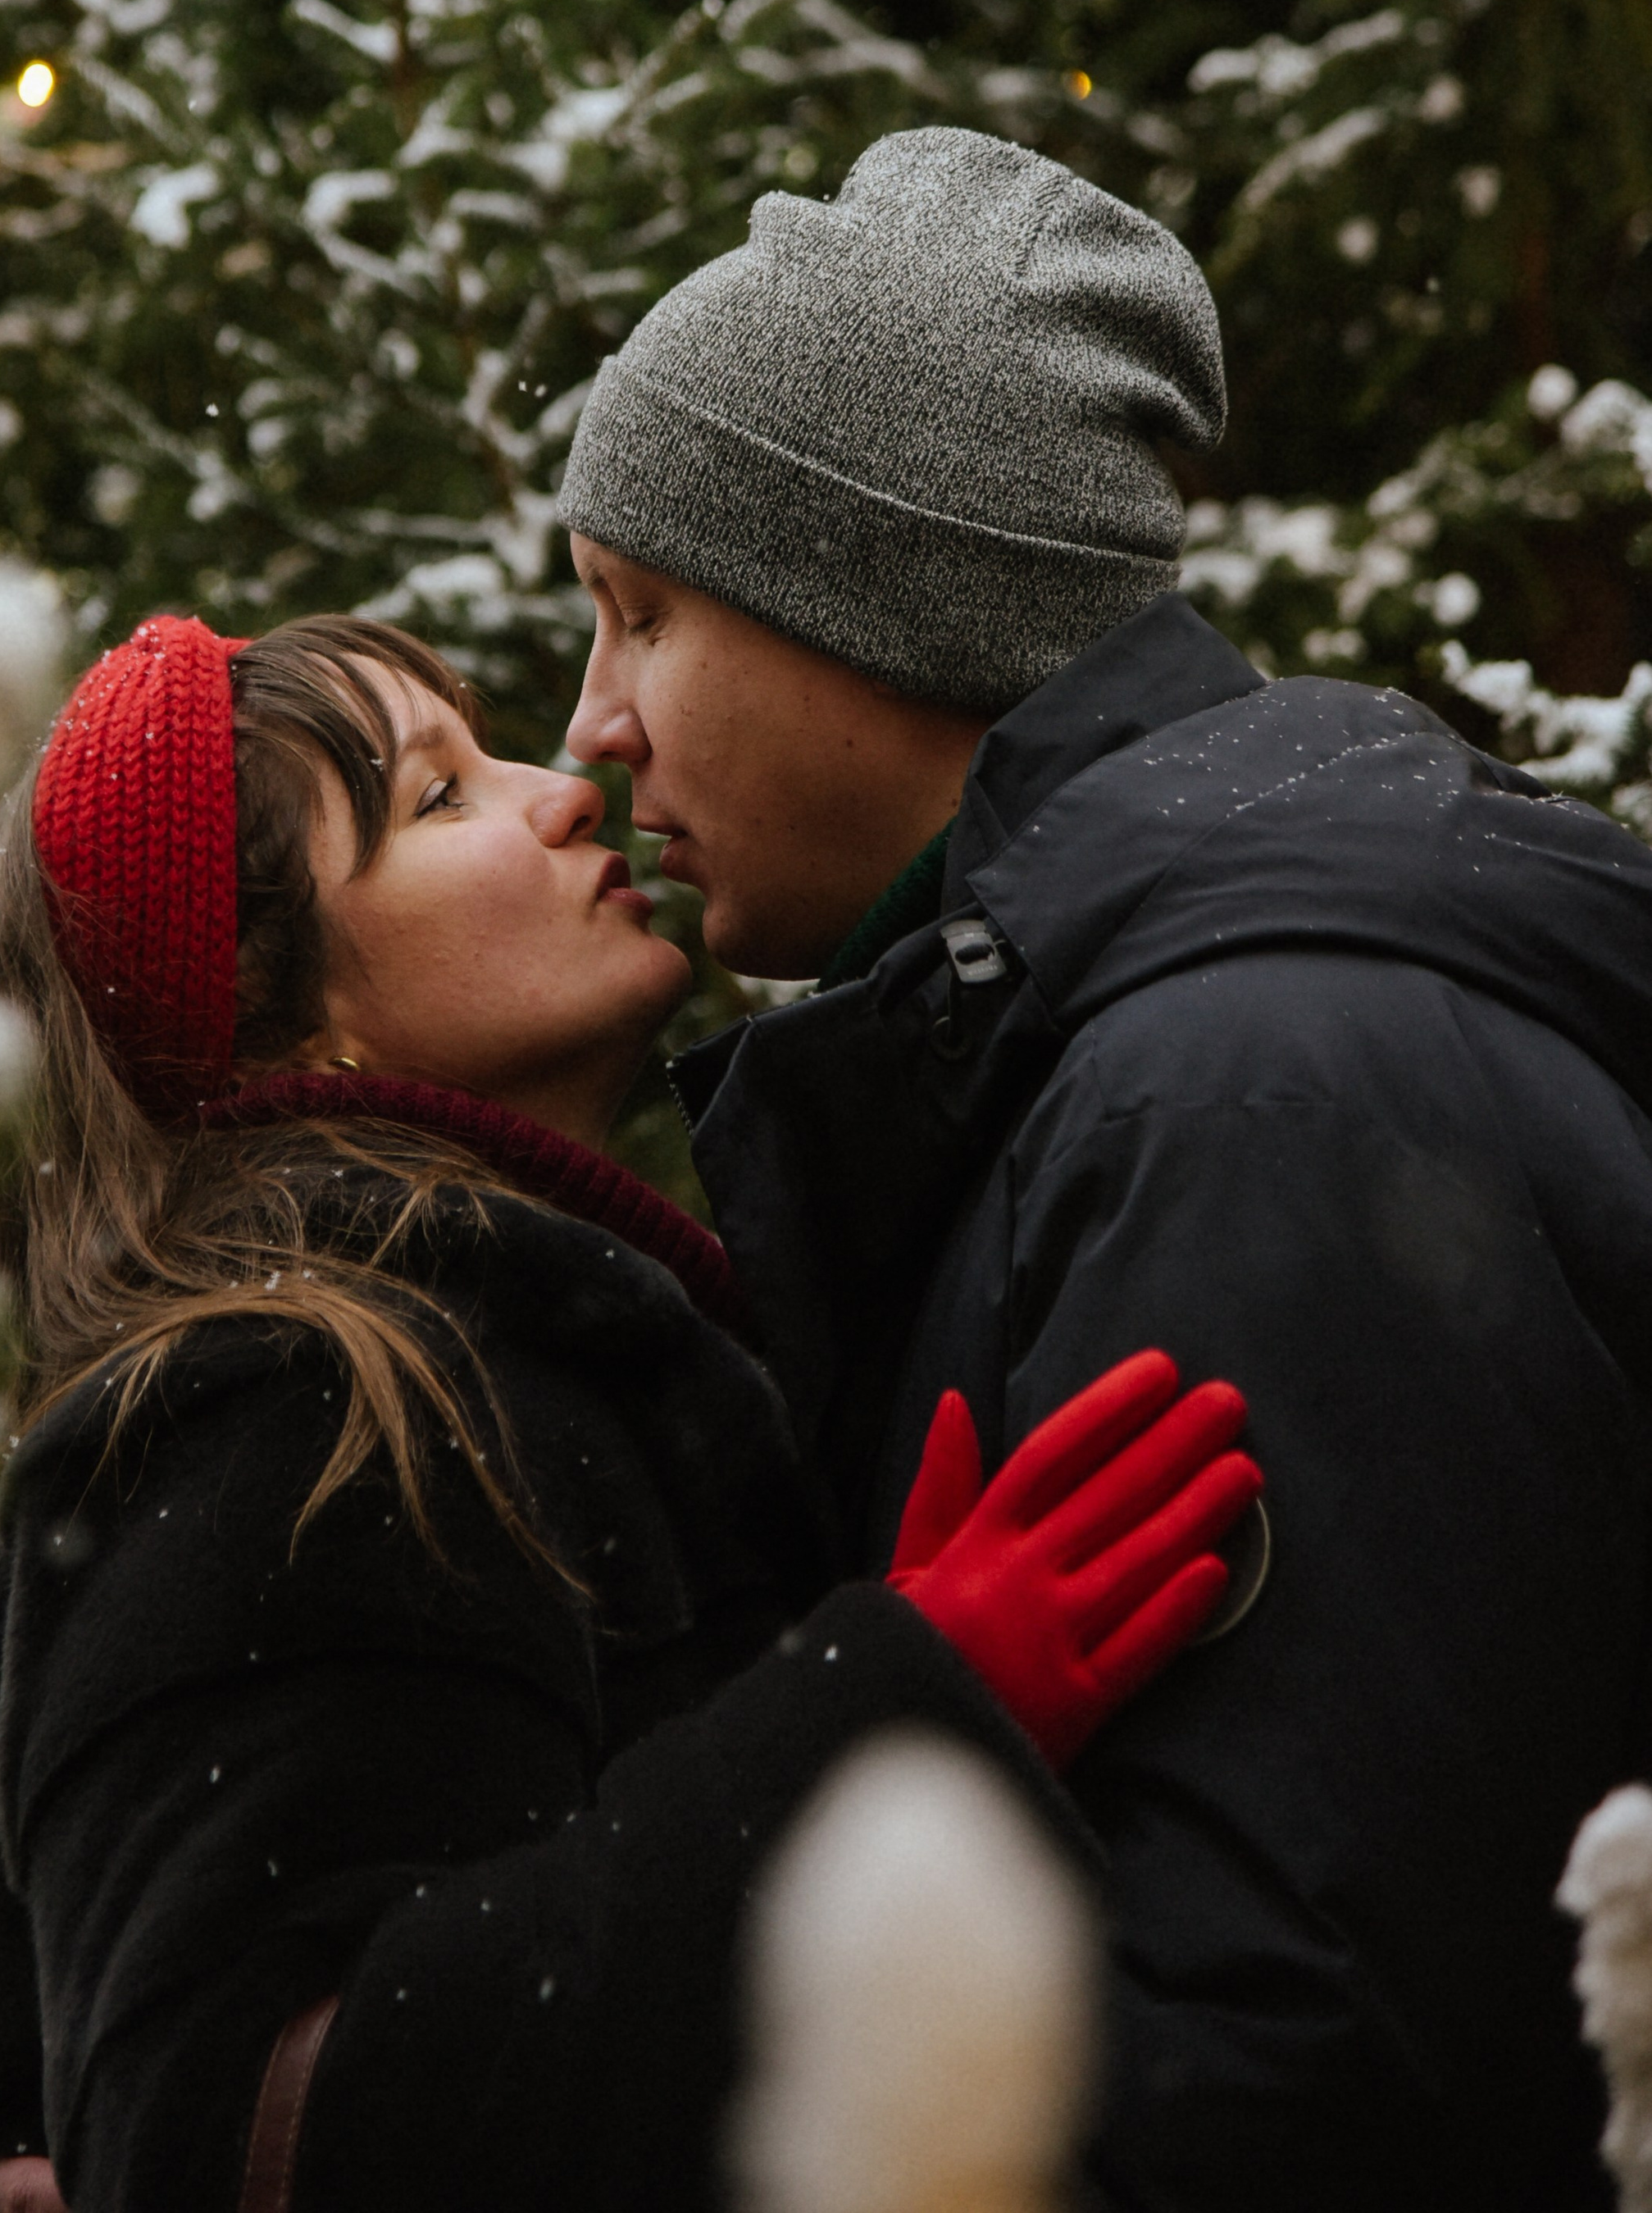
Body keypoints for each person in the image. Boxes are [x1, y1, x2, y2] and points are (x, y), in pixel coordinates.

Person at [0, 612, 1259, 2213]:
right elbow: (243, 2139)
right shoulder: (280, 1407)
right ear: (287, 1024)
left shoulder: (481, 1352)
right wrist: (895, 1721)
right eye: (439, 797)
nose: (566, 785)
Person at [559, 121, 1652, 2213]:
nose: (593, 722)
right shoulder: (1116, 1046)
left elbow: (1289, 2055)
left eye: (641, 613)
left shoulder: (1254, 1099)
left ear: (876, 605)